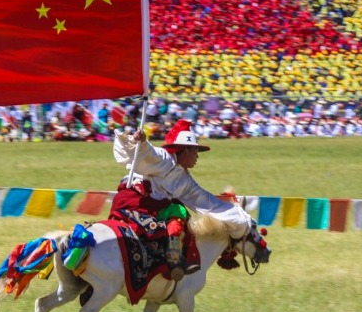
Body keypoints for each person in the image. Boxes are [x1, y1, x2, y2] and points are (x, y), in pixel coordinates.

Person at [108, 119, 255, 281]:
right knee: (179, 213)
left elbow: (206, 201)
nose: (197, 156)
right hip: (136, 204)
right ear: (184, 150)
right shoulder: (165, 158)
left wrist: (239, 217)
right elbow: (150, 154)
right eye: (195, 151)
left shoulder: (185, 179)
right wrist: (142, 142)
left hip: (148, 206)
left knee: (178, 210)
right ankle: (172, 257)